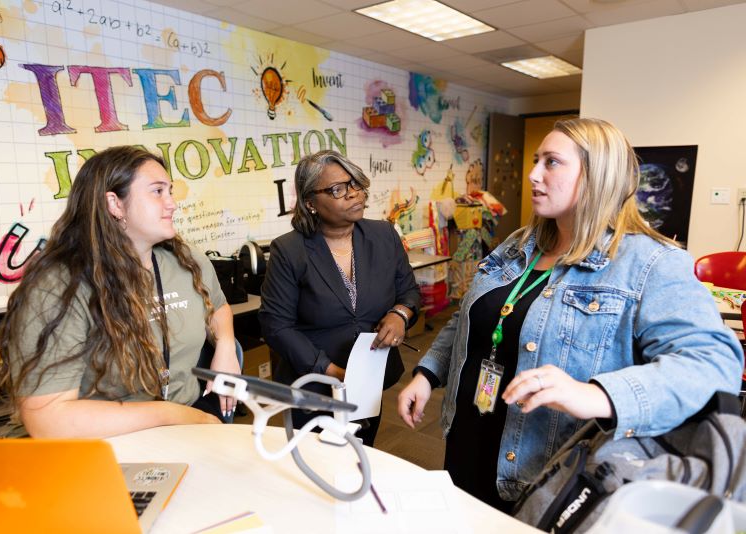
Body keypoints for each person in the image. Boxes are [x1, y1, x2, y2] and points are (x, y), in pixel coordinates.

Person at [397, 118, 744, 511]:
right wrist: (428, 373)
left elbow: (715, 365)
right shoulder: (519, 244)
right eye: (535, 160)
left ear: (598, 177)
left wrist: (596, 395)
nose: (533, 174)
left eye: (551, 162)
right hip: (468, 437)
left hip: (547, 474)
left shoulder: (651, 263)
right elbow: (471, 318)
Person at [0, 146, 241, 438]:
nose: (172, 203)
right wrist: (173, 414)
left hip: (178, 431)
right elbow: (49, 421)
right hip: (94, 447)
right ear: (114, 203)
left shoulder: (187, 260)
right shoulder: (59, 286)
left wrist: (226, 346)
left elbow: (217, 307)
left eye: (170, 191)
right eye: (157, 191)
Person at [259, 150, 421, 446]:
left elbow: (409, 291)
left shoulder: (383, 235)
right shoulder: (289, 250)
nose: (353, 194)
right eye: (337, 189)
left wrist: (400, 314)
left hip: (368, 378)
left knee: (361, 453)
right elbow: (276, 326)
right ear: (310, 203)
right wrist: (330, 371)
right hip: (313, 385)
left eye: (355, 184)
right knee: (313, 465)